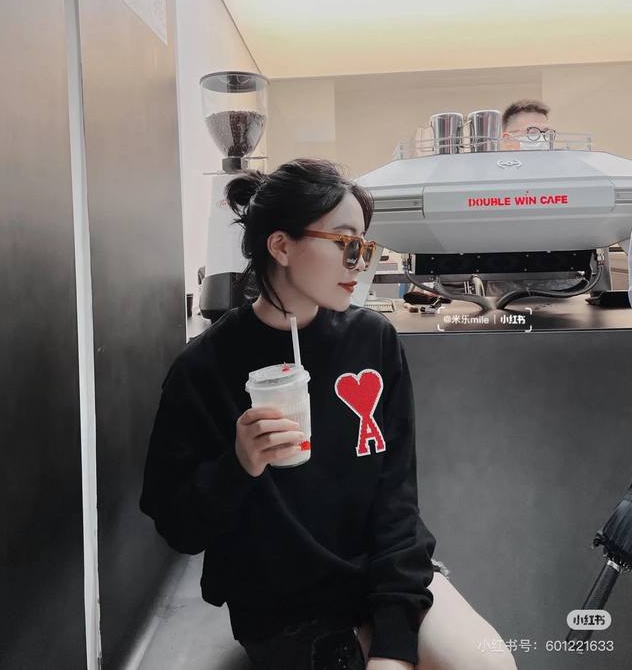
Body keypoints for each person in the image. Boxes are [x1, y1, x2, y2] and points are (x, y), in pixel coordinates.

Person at [140, 158, 516, 670]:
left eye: (365, 246)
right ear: (281, 246)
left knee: (488, 665)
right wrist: (239, 464)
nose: (359, 262)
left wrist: (394, 639)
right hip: (282, 609)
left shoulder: (373, 340)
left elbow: (396, 497)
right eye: (345, 243)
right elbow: (179, 529)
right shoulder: (203, 368)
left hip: (381, 577)